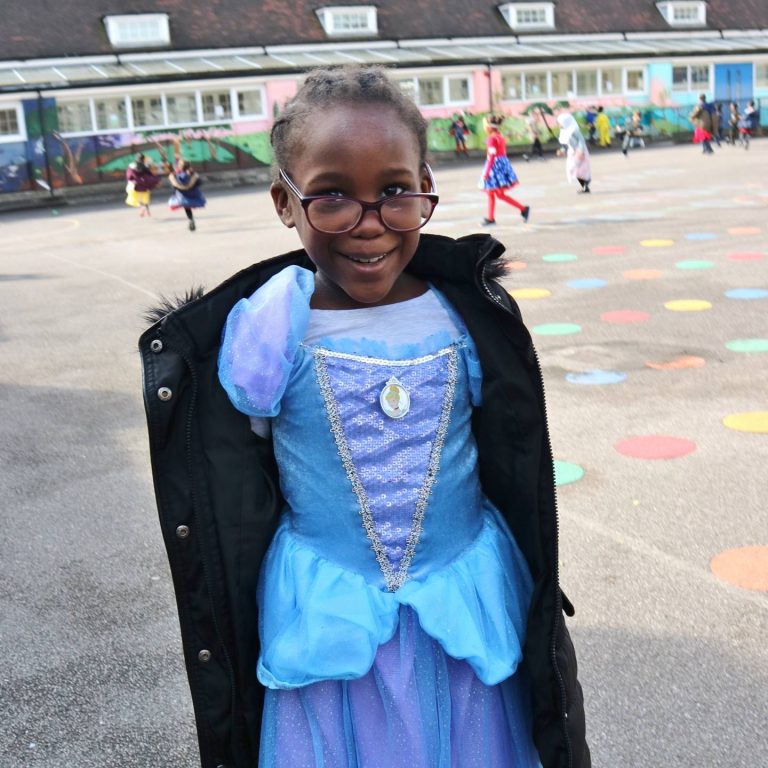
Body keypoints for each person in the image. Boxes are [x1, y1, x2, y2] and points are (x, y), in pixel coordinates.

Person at [139, 65, 590, 768]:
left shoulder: (465, 315)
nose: (369, 222)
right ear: (285, 202)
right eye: (331, 197)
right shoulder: (271, 327)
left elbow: (506, 449)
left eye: (395, 191)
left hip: (464, 602)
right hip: (328, 617)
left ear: (425, 184)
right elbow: (237, 468)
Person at [480, 114, 530, 225]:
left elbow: (492, 156)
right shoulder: (499, 136)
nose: (484, 128)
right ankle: (492, 217)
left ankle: (522, 209)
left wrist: (486, 172)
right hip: (501, 167)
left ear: (489, 127)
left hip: (494, 168)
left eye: (485, 126)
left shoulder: (492, 139)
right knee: (495, 193)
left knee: (494, 193)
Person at [558, 112, 592, 193]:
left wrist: (581, 151)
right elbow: (565, 143)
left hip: (580, 152)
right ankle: (585, 186)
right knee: (575, 170)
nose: (559, 124)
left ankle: (586, 183)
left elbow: (581, 141)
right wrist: (562, 151)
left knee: (577, 169)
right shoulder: (564, 131)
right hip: (572, 152)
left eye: (560, 123)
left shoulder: (574, 130)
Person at [168, 159, 206, 231]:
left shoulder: (176, 175)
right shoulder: (192, 174)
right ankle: (191, 220)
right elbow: (200, 182)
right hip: (193, 194)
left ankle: (190, 219)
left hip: (182, 196)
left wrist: (172, 176)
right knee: (188, 206)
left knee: (187, 207)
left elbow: (174, 185)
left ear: (180, 166)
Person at [124, 152, 160, 217]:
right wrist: (154, 180)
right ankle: (147, 211)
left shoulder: (132, 166)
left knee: (135, 198)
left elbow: (129, 175)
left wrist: (132, 180)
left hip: (135, 185)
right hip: (144, 185)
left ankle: (141, 207)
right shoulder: (145, 165)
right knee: (145, 199)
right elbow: (149, 174)